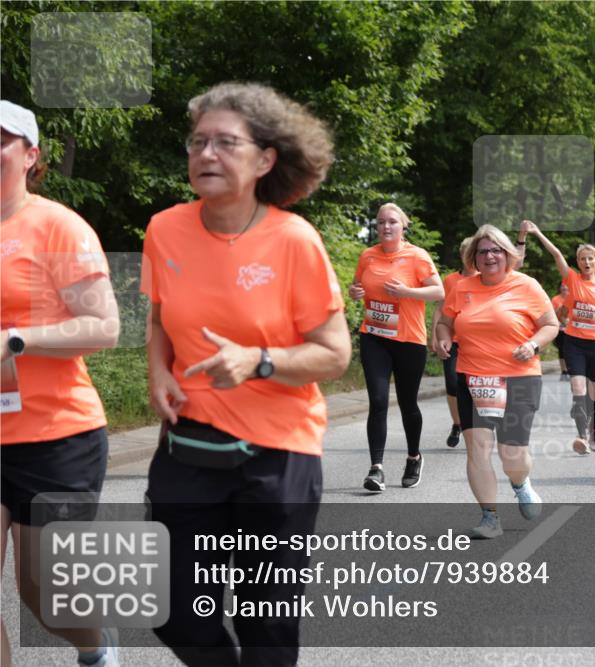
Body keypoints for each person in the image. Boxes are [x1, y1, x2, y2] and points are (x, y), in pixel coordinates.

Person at [142, 83, 351, 666]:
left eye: (225, 143)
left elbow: (334, 355)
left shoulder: (293, 240)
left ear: (264, 160)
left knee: (266, 620)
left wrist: (259, 360)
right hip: (190, 442)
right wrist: (158, 370)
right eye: (198, 142)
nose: (206, 154)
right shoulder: (165, 229)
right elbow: (160, 316)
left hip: (278, 454)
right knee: (168, 606)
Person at [1, 100, 121, 667]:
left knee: (46, 596)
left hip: (55, 435)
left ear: (31, 155)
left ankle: (96, 650)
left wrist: (15, 341)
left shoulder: (56, 226)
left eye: (1, 138)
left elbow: (104, 327)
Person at [435, 224, 558, 538]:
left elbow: (551, 325)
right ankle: (489, 517)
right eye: (482, 251)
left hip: (519, 378)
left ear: (508, 254)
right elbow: (446, 323)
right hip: (474, 378)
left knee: (512, 455)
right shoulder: (462, 288)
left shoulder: (527, 286)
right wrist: (445, 339)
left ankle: (520, 483)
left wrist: (532, 345)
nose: (489, 256)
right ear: (473, 257)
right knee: (477, 448)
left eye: (495, 250)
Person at [349, 203, 444, 491]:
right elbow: (356, 287)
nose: (386, 227)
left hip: (408, 339)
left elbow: (439, 291)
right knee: (378, 401)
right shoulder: (367, 256)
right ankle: (376, 468)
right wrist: (355, 292)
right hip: (375, 336)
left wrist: (407, 292)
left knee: (407, 403)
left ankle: (414, 457)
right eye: (380, 223)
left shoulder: (417, 256)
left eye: (392, 222)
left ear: (403, 226)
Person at [519, 220, 595, 454]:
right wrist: (537, 232)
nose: (587, 262)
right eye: (582, 259)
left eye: (590, 258)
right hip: (574, 343)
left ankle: (594, 429)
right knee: (577, 387)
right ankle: (581, 435)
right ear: (578, 263)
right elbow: (557, 254)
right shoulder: (572, 279)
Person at [431, 236, 475, 448]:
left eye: (472, 254)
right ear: (461, 256)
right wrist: (435, 336)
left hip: (477, 343)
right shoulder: (450, 280)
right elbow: (440, 309)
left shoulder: (485, 279)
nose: (470, 258)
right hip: (453, 340)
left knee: (473, 385)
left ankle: (474, 425)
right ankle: (457, 424)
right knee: (452, 383)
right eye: (466, 254)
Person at [552, 283, 571, 381]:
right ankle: (564, 371)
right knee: (562, 350)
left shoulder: (573, 297)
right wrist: (560, 324)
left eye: (566, 286)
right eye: (562, 286)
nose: (564, 287)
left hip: (571, 328)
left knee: (570, 350)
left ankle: (570, 369)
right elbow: (553, 314)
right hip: (561, 329)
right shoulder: (556, 299)